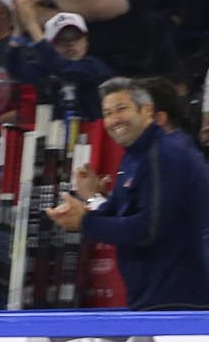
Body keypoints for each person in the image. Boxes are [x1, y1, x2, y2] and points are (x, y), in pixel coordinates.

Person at [46, 77, 209, 309]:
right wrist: (90, 201)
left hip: (176, 304)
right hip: (153, 298)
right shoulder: (136, 155)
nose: (114, 120)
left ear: (147, 110)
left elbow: (146, 230)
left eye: (122, 109)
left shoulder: (163, 155)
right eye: (108, 113)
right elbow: (121, 214)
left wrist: (85, 221)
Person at [6, 10, 114, 119]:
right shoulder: (45, 68)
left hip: (95, 131)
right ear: (50, 45)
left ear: (86, 41)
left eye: (76, 38)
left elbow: (66, 70)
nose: (71, 44)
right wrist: (18, 30)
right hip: (55, 132)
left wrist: (32, 26)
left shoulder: (95, 66)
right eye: (62, 40)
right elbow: (16, 71)